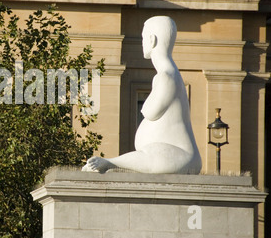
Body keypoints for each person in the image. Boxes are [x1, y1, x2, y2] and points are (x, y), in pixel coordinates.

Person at [82, 16, 202, 174]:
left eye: (144, 37)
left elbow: (150, 111)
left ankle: (110, 163)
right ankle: (114, 164)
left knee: (153, 158)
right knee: (150, 156)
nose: (142, 42)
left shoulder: (166, 76)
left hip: (179, 157)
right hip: (167, 153)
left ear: (152, 40)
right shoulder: (167, 75)